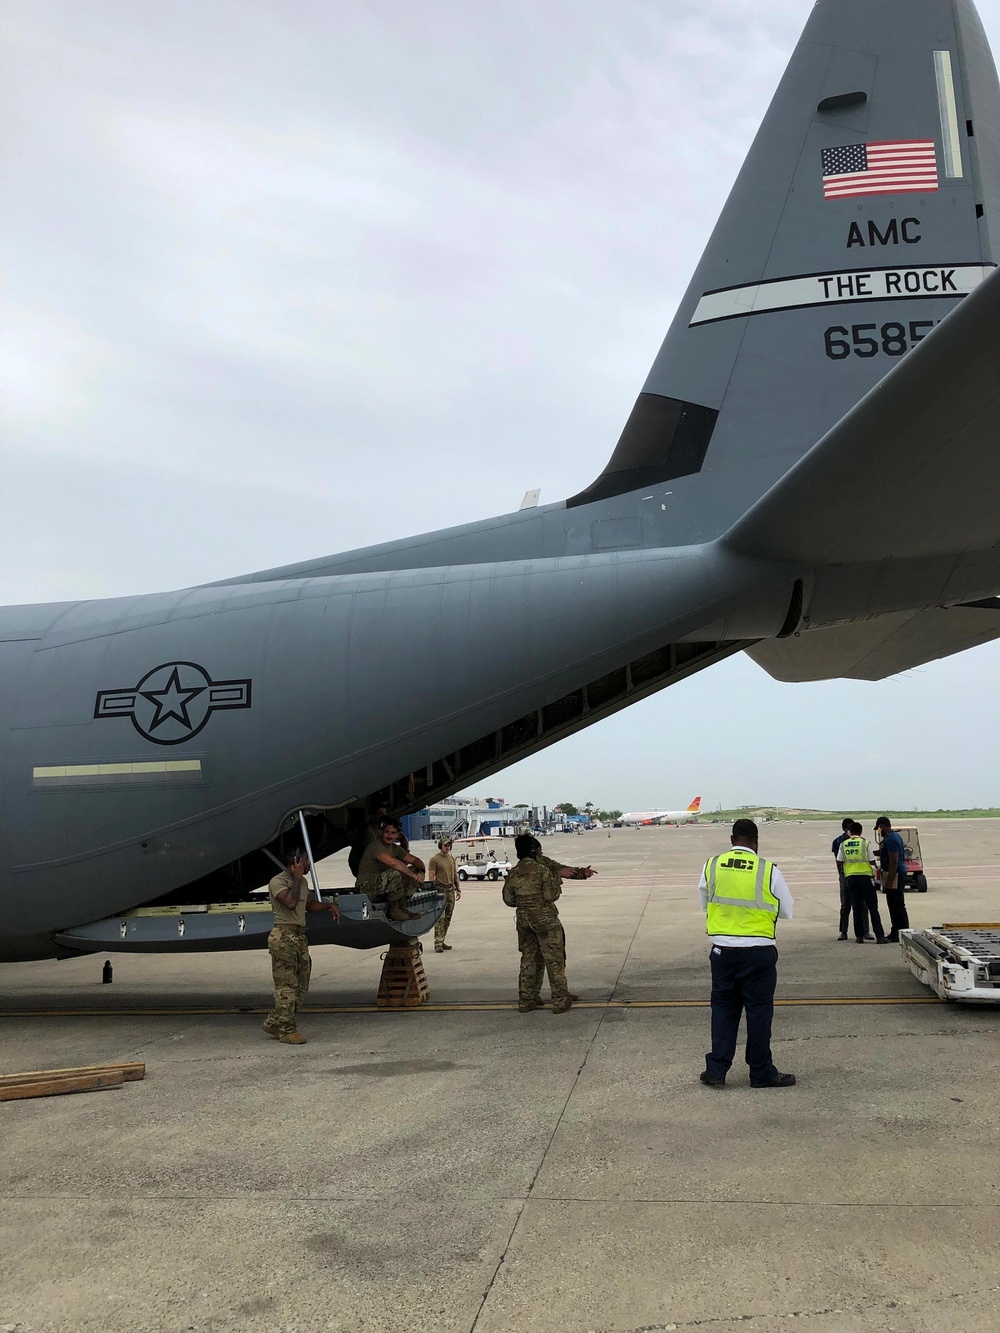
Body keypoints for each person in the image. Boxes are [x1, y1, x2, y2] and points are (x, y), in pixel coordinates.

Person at [699, 818, 796, 1088]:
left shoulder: (712, 865)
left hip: (723, 951)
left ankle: (717, 1070)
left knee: (723, 1009)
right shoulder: (768, 870)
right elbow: (787, 910)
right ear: (756, 841)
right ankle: (761, 1072)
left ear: (732, 839)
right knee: (759, 1013)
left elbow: (704, 901)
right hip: (758, 953)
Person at [502, 834, 596, 1014]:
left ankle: (526, 999)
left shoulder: (513, 872)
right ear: (533, 851)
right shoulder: (542, 870)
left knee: (528, 958)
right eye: (539, 850)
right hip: (544, 918)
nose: (541, 852)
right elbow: (551, 895)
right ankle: (560, 999)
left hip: (523, 919)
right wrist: (555, 880)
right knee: (554, 958)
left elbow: (509, 900)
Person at [264, 847, 341, 1045]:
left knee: (301, 985)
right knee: (287, 986)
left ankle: (274, 1022)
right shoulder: (278, 881)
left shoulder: (303, 882)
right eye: (306, 860)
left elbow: (307, 905)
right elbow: (290, 903)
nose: (309, 865)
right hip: (284, 936)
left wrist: (328, 906)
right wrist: (297, 878)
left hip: (299, 937)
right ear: (296, 862)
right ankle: (286, 1030)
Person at [355, 819, 425, 921]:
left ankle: (402, 906)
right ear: (381, 833)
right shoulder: (375, 846)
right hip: (365, 889)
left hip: (381, 888)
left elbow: (415, 860)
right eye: (387, 832)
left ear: (397, 835)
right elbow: (393, 863)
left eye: (393, 833)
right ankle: (394, 909)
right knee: (395, 873)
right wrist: (414, 876)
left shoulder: (394, 848)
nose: (389, 836)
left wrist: (421, 872)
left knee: (414, 869)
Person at [837, 821, 886, 944]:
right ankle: (880, 936)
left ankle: (859, 937)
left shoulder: (843, 844)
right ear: (861, 832)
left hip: (851, 878)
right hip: (865, 877)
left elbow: (839, 861)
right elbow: (872, 860)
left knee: (856, 908)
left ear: (850, 832)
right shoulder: (865, 843)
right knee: (872, 908)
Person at [874, 816, 910, 942]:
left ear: (882, 826)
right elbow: (884, 852)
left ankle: (901, 931)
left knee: (896, 904)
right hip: (894, 872)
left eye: (878, 829)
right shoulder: (891, 837)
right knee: (893, 904)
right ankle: (896, 931)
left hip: (895, 873)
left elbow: (894, 860)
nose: (878, 831)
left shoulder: (891, 839)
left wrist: (890, 879)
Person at [428, 837, 461, 952]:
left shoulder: (451, 858)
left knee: (448, 917)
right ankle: (438, 942)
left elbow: (455, 875)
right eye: (445, 845)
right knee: (440, 918)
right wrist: (432, 891)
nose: (447, 847)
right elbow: (431, 876)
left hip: (450, 890)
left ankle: (442, 940)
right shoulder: (434, 859)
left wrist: (458, 889)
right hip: (440, 891)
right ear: (440, 846)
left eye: (449, 845)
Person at [832, 817, 853, 940]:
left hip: (858, 875)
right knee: (845, 905)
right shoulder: (838, 842)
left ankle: (865, 931)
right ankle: (843, 931)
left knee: (862, 905)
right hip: (845, 875)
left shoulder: (860, 841)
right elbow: (837, 860)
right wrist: (841, 874)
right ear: (845, 828)